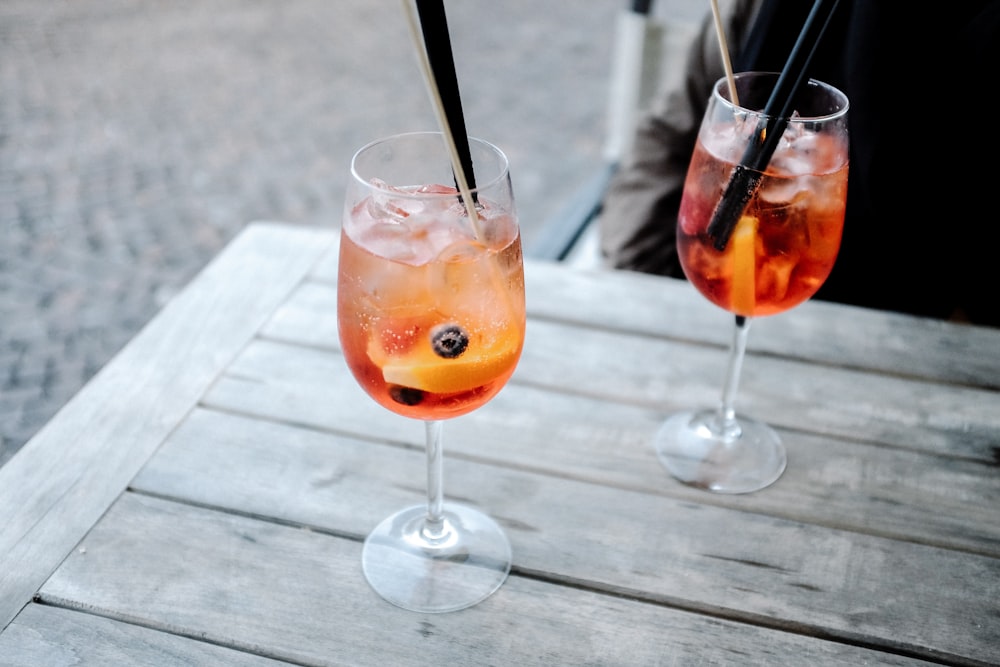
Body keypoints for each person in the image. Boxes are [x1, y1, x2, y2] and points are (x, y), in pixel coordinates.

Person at [600, 0, 1000, 327]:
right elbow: (668, 137)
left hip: (908, 345)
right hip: (700, 309)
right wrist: (647, 298)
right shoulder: (764, 10)